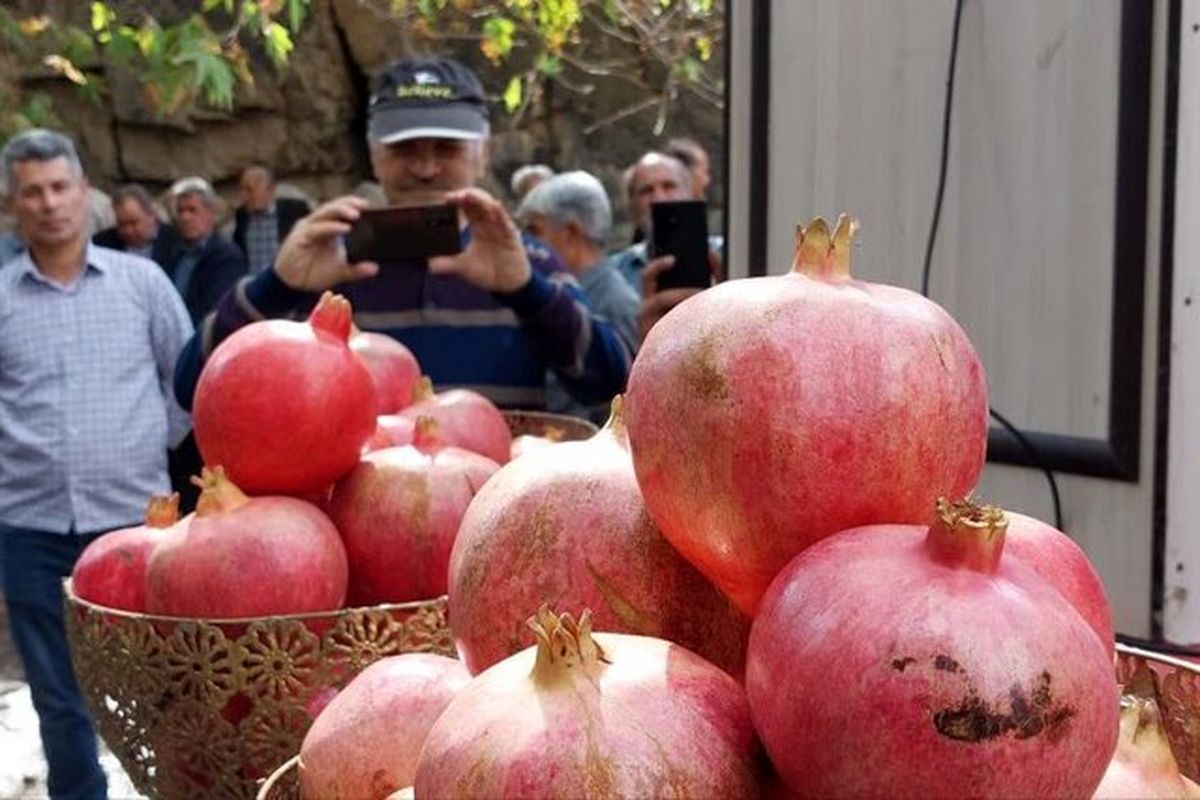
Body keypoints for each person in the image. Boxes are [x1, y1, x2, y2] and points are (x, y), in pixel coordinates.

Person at [174, 55, 633, 413]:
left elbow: (612, 387)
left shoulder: (529, 261)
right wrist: (277, 286)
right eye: (404, 149)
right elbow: (194, 384)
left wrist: (527, 291)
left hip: (494, 520)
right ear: (374, 156)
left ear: (483, 154)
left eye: (447, 148)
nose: (427, 168)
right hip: (357, 524)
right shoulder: (328, 267)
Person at [0, 129, 193, 800]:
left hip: (135, 528)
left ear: (85, 195)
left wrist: (143, 445)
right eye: (33, 191)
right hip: (30, 528)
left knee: (163, 691)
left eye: (60, 187)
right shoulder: (0, 300)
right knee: (58, 700)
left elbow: (188, 382)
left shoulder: (143, 283)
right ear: (11, 203)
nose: (49, 203)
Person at [518, 170, 641, 421]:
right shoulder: (563, 297)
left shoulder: (617, 302)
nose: (527, 243)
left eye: (534, 230)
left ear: (571, 232)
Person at [165, 176, 249, 325]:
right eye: (180, 211)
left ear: (209, 213)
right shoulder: (172, 254)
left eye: (192, 210)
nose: (185, 217)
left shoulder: (227, 257)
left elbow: (217, 309)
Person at [610, 151, 695, 292]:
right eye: (647, 191)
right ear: (632, 207)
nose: (659, 199)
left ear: (690, 194)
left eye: (669, 186)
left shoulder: (727, 256)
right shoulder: (615, 274)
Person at [232, 164, 312, 272]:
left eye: (249, 190)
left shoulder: (294, 211)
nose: (244, 196)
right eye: (242, 190)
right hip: (255, 283)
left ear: (270, 190)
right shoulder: (242, 216)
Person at [92, 183, 183, 269]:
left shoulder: (176, 242)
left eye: (133, 223)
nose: (128, 231)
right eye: (122, 224)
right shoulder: (102, 244)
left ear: (151, 215)